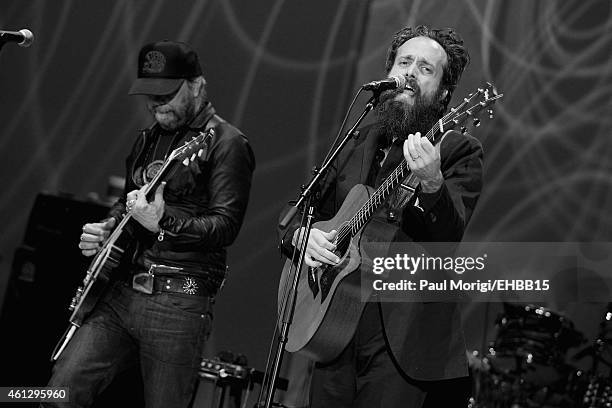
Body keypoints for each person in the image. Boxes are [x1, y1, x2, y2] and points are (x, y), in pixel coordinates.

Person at [279, 25, 483, 407]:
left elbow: (448, 235)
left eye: (425, 68)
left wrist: (433, 183)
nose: (409, 73)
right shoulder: (359, 138)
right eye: (404, 62)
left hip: (400, 342)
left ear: (443, 94)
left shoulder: (458, 149)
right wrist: (301, 238)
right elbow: (297, 213)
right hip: (333, 325)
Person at [45, 40, 255, 408]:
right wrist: (107, 228)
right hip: (121, 292)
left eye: (167, 94)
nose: (156, 103)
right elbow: (125, 201)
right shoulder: (149, 138)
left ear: (197, 85)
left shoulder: (228, 144)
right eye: (150, 94)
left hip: (179, 299)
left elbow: (225, 227)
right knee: (59, 390)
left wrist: (163, 220)